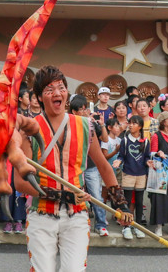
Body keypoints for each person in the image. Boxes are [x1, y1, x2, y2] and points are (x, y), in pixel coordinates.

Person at [16, 66, 130, 272]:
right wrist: (62, 196)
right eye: (50, 90)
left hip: (77, 216)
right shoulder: (29, 129)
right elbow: (20, 181)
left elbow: (104, 167)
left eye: (61, 87)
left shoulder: (86, 126)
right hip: (41, 215)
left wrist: (121, 203)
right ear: (40, 97)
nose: (57, 93)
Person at [70, 94, 110, 236]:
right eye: (81, 109)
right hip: (74, 166)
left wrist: (101, 124)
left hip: (91, 166)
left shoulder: (91, 124)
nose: (85, 111)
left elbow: (105, 139)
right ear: (74, 112)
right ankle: (75, 225)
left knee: (96, 196)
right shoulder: (68, 124)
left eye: (85, 108)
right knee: (74, 196)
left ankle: (101, 224)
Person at [115, 114, 149, 239]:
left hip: (141, 174)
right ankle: (126, 226)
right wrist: (118, 161)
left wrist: (148, 162)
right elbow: (121, 155)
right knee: (127, 201)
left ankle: (138, 225)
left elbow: (146, 157)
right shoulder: (125, 140)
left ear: (140, 127)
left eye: (134, 123)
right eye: (130, 123)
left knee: (140, 202)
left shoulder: (145, 141)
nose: (130, 125)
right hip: (128, 173)